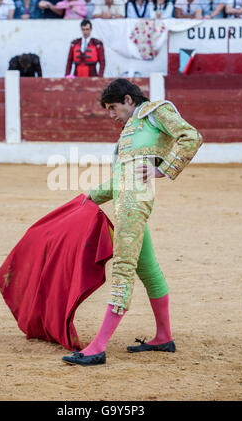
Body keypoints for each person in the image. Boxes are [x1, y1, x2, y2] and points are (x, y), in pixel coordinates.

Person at [61, 78, 203, 366]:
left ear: (128, 99)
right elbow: (119, 180)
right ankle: (163, 336)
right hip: (125, 203)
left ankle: (98, 347)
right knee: (148, 271)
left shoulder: (155, 112)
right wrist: (88, 198)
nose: (111, 115)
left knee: (123, 269)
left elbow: (191, 136)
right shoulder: (128, 134)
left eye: (112, 107)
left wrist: (163, 169)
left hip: (134, 205)